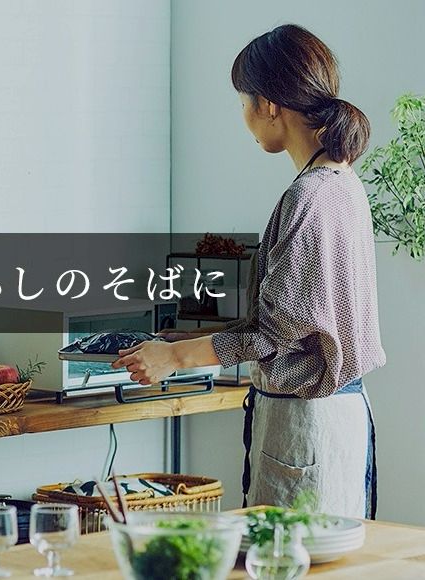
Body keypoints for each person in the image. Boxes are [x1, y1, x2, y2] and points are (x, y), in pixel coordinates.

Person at [112, 24, 385, 518]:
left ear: (269, 105)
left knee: (286, 555)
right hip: (332, 416)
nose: (244, 117)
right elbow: (295, 321)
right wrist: (186, 339)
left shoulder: (309, 196)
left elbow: (274, 334)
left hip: (306, 426)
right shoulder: (342, 183)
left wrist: (174, 358)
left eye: (243, 102)